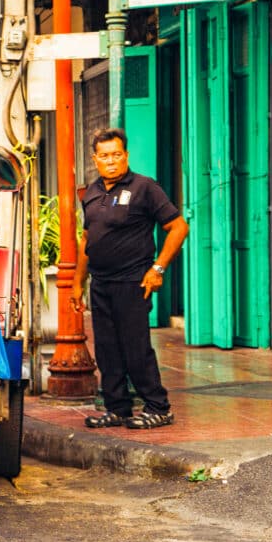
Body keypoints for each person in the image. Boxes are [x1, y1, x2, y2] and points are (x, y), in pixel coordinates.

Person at [69, 128, 189, 430]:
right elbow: (87, 240)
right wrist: (77, 282)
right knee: (107, 349)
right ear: (95, 159)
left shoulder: (144, 187)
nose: (112, 161)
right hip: (101, 282)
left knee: (135, 348)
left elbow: (178, 228)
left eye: (117, 154)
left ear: (127, 156)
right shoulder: (92, 192)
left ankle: (158, 407)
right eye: (105, 156)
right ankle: (118, 408)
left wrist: (157, 269)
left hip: (134, 281)